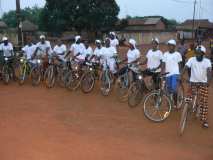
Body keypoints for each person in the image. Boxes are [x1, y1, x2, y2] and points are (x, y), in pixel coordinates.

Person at [181, 45, 212, 128]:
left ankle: (204, 120)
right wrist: (180, 75)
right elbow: (186, 67)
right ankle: (186, 110)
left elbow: (209, 72)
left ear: (203, 54)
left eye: (199, 53)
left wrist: (208, 82)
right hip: (193, 83)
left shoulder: (207, 61)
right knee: (187, 99)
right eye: (196, 53)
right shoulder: (191, 59)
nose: (197, 55)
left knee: (204, 102)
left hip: (203, 83)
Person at [162, 39, 182, 108]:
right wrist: (162, 73)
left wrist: (179, 74)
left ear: (174, 46)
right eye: (168, 45)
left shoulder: (177, 54)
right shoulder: (165, 54)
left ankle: (175, 103)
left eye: (171, 45)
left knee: (174, 90)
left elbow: (180, 65)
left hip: (175, 73)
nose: (169, 47)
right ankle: (169, 102)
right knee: (168, 90)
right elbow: (163, 64)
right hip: (167, 74)